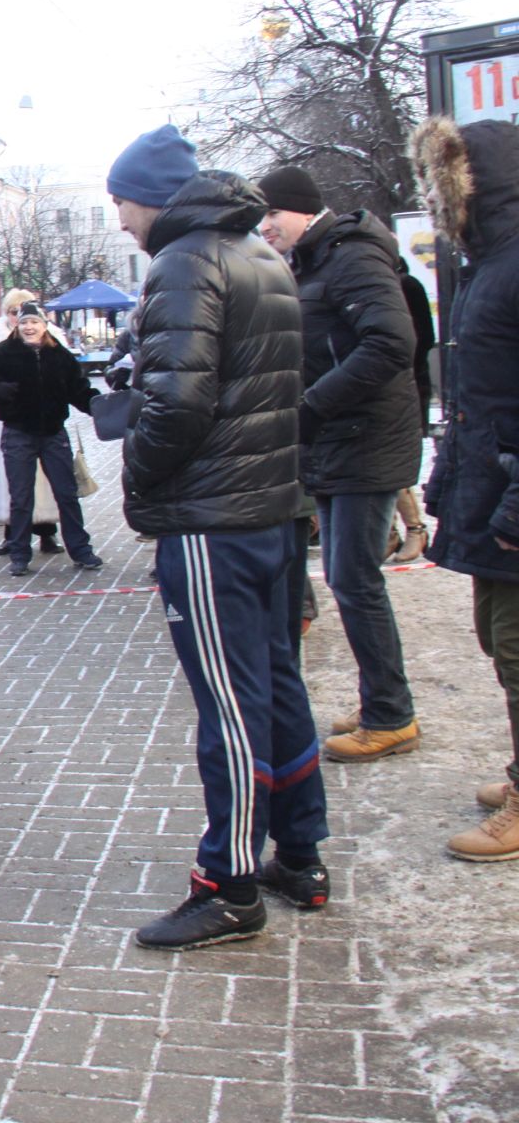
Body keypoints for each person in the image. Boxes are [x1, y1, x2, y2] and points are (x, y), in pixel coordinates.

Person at [107, 126, 328, 950]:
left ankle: (229, 884)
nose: (121, 220)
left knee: (230, 708)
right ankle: (299, 856)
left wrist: (138, 479)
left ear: (150, 197)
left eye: (121, 201)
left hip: (212, 521)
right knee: (276, 686)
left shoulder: (185, 260)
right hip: (267, 511)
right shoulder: (260, 254)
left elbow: (177, 406)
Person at [258, 164, 423, 763]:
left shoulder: (351, 256)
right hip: (339, 439)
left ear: (302, 210)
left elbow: (389, 344)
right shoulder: (318, 261)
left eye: (271, 213)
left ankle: (391, 715)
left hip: (365, 439)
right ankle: (383, 697)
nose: (266, 226)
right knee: (351, 579)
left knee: (355, 581)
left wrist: (311, 405)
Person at [411, 116, 519, 860]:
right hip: (493, 489)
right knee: (499, 639)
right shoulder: (492, 262)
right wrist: (450, 482)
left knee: (516, 646)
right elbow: (479, 398)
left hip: (513, 499)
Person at [0, 301, 104, 577]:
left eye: (34, 322)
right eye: (24, 323)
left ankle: (81, 550)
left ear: (44, 325)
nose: (29, 327)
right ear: (17, 326)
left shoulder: (59, 355)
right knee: (21, 498)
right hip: (18, 432)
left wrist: (101, 405)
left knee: (66, 494)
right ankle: (19, 553)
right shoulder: (4, 352)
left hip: (54, 433)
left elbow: (79, 389)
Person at [0, 289, 67, 557]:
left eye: (25, 312)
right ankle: (13, 537)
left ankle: (47, 533)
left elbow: (70, 382)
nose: (21, 319)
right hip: (9, 425)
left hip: (47, 425)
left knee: (45, 483)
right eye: (14, 312)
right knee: (15, 485)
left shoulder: (52, 339)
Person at [384, 256, 435, 563]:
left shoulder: (406, 285)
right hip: (378, 388)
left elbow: (423, 339)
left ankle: (415, 529)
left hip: (407, 386)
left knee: (393, 461)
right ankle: (389, 534)